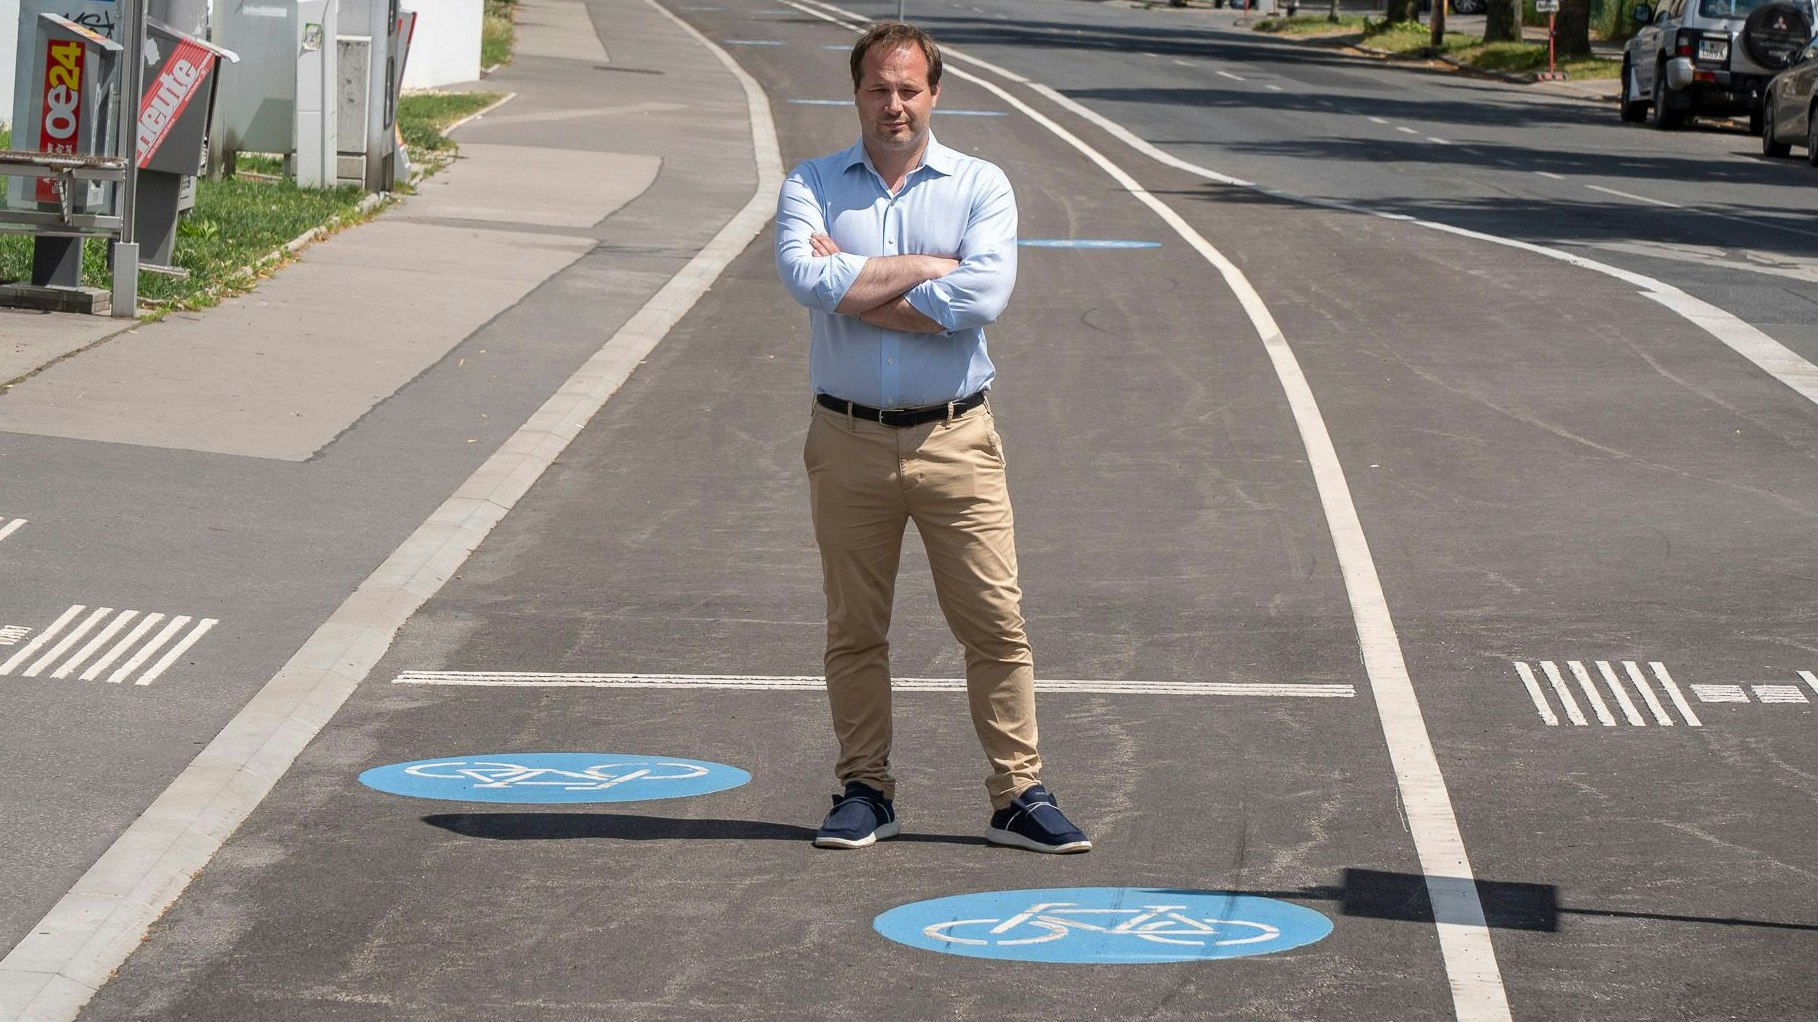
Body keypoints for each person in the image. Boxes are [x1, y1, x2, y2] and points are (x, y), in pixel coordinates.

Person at [774, 21, 1090, 855]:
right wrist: (929, 266)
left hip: (956, 439)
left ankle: (1018, 794)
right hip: (846, 440)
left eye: (909, 88)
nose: (894, 104)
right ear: (856, 91)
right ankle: (865, 790)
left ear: (935, 92)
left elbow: (982, 298)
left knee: (994, 623)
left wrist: (856, 279)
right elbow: (805, 277)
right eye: (879, 87)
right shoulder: (811, 182)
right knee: (854, 629)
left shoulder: (981, 184)